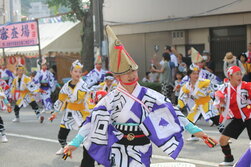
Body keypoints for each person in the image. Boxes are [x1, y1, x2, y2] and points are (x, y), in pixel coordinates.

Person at [63, 25, 216, 167]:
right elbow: (91, 122)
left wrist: (199, 133)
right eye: (126, 73)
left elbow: (174, 114)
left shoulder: (149, 95)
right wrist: (74, 143)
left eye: (133, 71)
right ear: (118, 77)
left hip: (141, 148)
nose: (131, 75)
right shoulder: (110, 99)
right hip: (118, 148)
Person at [48, 60, 91, 155]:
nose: (78, 74)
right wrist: (54, 113)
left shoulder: (84, 86)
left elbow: (89, 100)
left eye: (80, 72)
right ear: (71, 72)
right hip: (70, 112)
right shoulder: (66, 86)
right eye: (75, 71)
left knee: (88, 134)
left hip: (82, 113)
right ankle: (64, 148)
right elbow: (61, 100)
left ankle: (92, 155)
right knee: (61, 136)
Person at [214, 66, 251, 166]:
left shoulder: (246, 85)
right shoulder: (225, 88)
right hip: (238, 118)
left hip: (249, 116)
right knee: (222, 140)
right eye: (237, 74)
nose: (240, 76)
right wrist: (221, 100)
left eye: (240, 73)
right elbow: (219, 101)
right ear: (230, 76)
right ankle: (229, 159)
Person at [178, 64, 221, 141]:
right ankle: (194, 135)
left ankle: (225, 136)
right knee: (190, 121)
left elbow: (217, 87)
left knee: (216, 120)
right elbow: (182, 97)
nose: (196, 75)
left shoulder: (204, 82)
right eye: (194, 73)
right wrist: (179, 106)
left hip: (207, 103)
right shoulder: (187, 86)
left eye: (197, 73)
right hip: (197, 105)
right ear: (189, 75)